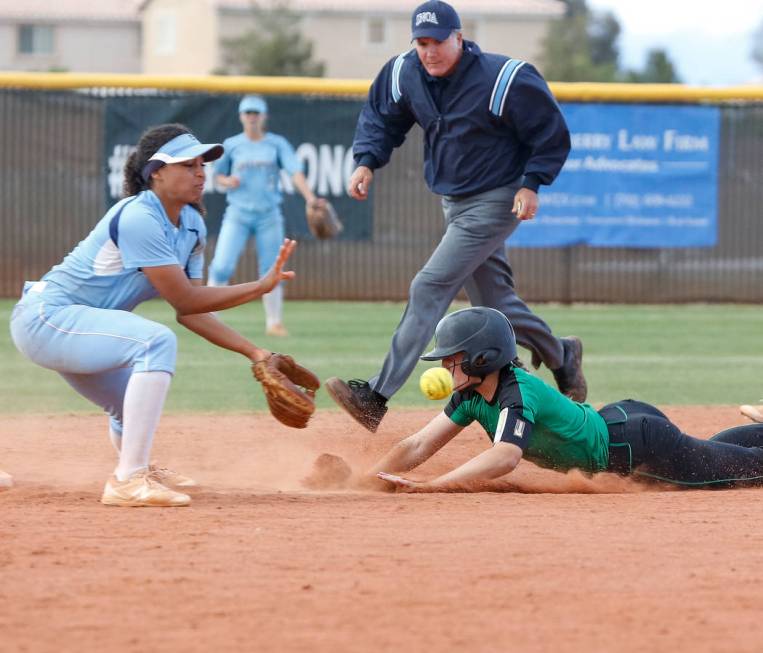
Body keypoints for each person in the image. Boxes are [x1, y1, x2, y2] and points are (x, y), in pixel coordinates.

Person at [326, 0, 584, 433]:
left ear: (459, 38)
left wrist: (532, 182)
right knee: (496, 305)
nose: (430, 51)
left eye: (438, 41)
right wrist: (366, 161)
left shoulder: (503, 79)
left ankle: (375, 396)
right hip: (455, 201)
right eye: (422, 42)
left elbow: (550, 132)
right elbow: (382, 118)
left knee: (430, 285)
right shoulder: (405, 72)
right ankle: (562, 354)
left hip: (498, 199)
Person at [9, 123, 297, 507]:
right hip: (46, 318)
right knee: (154, 341)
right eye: (187, 165)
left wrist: (254, 352)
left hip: (83, 327)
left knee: (126, 401)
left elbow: (190, 309)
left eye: (202, 165)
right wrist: (259, 287)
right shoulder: (138, 216)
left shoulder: (191, 225)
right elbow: (187, 299)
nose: (200, 173)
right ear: (156, 171)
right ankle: (127, 481)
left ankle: (138, 466)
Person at [364, 307, 763, 491]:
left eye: (452, 358)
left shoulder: (515, 390)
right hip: (622, 424)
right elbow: (417, 444)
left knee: (737, 472)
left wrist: (435, 486)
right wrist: (367, 482)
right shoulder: (471, 396)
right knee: (714, 454)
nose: (446, 366)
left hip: (637, 448)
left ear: (481, 358)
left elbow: (506, 456)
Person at [208, 95, 322, 337]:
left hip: (268, 215)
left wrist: (310, 198)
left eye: (255, 113)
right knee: (221, 266)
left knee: (272, 269)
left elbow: (295, 172)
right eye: (247, 113)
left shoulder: (275, 144)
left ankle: (274, 322)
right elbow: (217, 175)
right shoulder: (232, 144)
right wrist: (227, 180)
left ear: (263, 116)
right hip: (238, 213)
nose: (251, 117)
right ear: (241, 116)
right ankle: (209, 318)